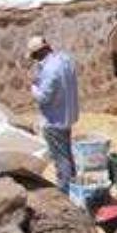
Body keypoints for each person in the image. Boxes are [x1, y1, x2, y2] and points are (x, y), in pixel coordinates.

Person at [28, 36, 79, 194]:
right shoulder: (65, 60)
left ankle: (65, 195)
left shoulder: (49, 69)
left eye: (34, 56)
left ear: (38, 54)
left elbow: (44, 97)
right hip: (67, 116)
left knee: (61, 160)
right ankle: (75, 187)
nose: (35, 60)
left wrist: (33, 87)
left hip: (54, 121)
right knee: (67, 155)